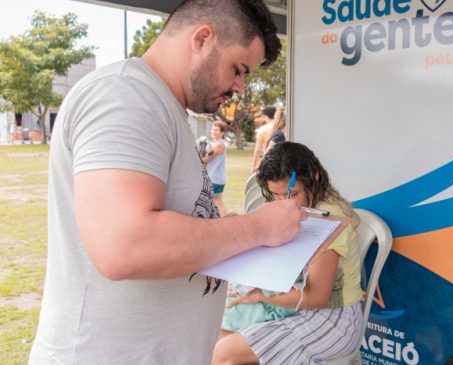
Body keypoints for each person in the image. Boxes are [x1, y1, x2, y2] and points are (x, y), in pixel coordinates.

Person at [29, 1, 305, 364]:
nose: (239, 86)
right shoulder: (125, 97)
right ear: (203, 38)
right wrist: (257, 228)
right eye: (238, 69)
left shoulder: (158, 105)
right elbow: (124, 245)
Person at [212, 142, 364, 365]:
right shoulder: (298, 207)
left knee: (224, 354)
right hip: (293, 309)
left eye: (292, 193)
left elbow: (316, 298)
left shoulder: (328, 217)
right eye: (276, 195)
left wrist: (260, 295)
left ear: (315, 178)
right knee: (219, 333)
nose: (284, 203)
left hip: (332, 320)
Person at [204, 120, 228, 215]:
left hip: (215, 179)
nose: (213, 131)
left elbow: (206, 159)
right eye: (212, 129)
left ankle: (226, 222)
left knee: (217, 202)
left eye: (217, 130)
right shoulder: (213, 143)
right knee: (214, 202)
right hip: (213, 178)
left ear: (222, 132)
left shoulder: (219, 145)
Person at [251, 105, 276, 172]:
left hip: (266, 161)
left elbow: (257, 150)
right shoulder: (282, 128)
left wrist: (254, 166)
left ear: (266, 117)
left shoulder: (262, 130)